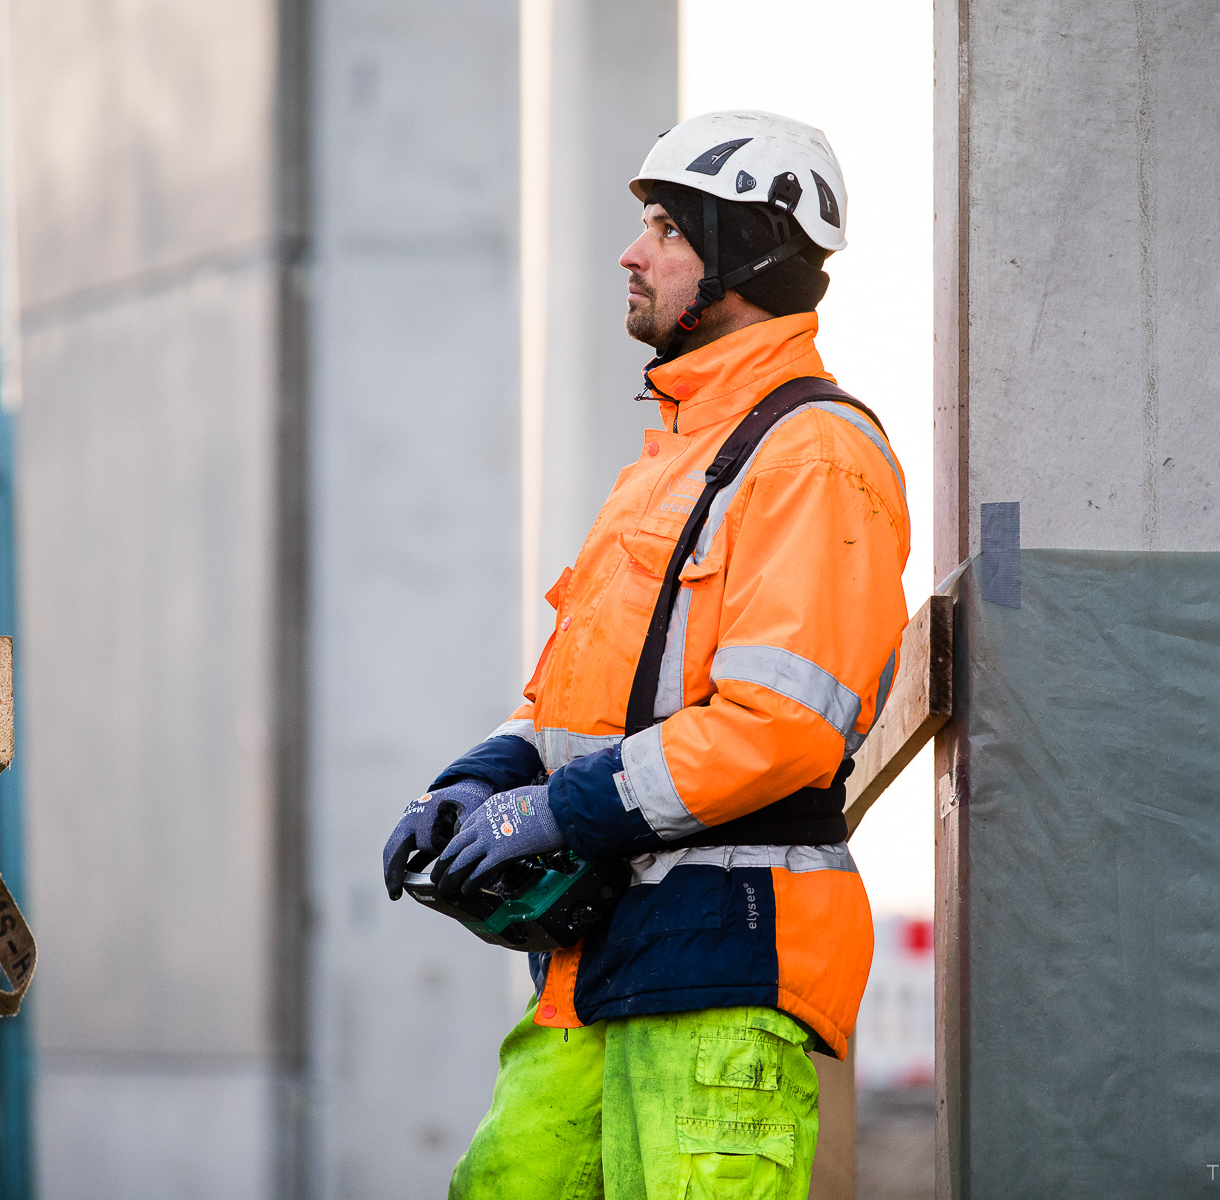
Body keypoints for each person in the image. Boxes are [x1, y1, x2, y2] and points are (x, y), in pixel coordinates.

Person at [382, 110, 911, 1200]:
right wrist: (485, 778)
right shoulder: (675, 460)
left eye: (667, 229)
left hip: (725, 958)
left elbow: (784, 725)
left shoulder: (812, 454)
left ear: (745, 254)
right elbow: (592, 702)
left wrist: (556, 813)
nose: (632, 252)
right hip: (605, 958)